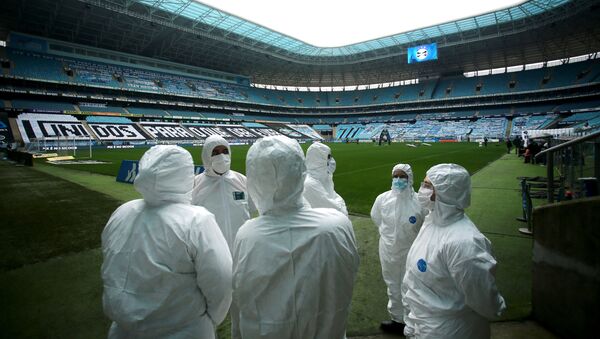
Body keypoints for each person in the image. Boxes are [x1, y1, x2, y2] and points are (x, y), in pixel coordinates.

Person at [231, 136, 360, 339]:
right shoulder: (337, 225)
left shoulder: (248, 235)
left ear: (254, 180)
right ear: (301, 171)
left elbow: (240, 298)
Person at [101, 145, 232, 339]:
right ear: (184, 175)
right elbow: (221, 279)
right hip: (184, 330)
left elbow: (110, 265)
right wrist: (210, 320)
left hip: (122, 330)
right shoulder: (196, 220)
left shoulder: (123, 212)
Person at [402, 164, 506, 338]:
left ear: (445, 193)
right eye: (424, 184)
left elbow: (484, 299)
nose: (422, 190)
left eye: (428, 186)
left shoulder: (464, 243)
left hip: (450, 331)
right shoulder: (431, 222)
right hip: (423, 326)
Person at [370, 164, 427, 334]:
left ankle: (413, 322)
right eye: (395, 176)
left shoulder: (419, 202)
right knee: (392, 284)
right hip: (388, 250)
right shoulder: (383, 199)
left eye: (402, 176)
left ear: (409, 179)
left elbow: (425, 226)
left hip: (411, 250)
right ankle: (397, 320)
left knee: (411, 286)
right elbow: (376, 218)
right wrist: (389, 236)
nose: (398, 180)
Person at [192, 135, 255, 251]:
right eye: (215, 152)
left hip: (241, 249)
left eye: (225, 151)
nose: (221, 156)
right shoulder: (195, 184)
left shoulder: (242, 180)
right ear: (207, 156)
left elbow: (252, 210)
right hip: (210, 252)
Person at [303, 141, 348, 215]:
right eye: (329, 157)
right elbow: (339, 212)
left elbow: (333, 198)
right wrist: (340, 202)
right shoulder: (309, 184)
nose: (331, 160)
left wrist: (338, 202)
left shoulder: (325, 178)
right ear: (319, 159)